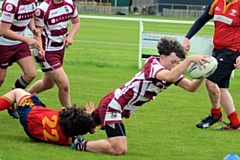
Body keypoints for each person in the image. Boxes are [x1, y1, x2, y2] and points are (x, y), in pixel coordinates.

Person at [71, 37, 210, 155]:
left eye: (178, 62)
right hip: (114, 105)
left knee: (84, 126)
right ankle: (80, 144)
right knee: (119, 149)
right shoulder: (153, 64)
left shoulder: (171, 71)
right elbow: (170, 76)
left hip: (117, 105)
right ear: (162, 57)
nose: (176, 65)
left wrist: (203, 74)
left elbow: (191, 87)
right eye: (173, 62)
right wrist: (190, 59)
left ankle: (71, 132)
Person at [182, 0, 240, 130]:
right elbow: (201, 20)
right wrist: (187, 37)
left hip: (232, 52)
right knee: (222, 88)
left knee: (210, 81)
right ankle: (235, 124)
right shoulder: (217, 2)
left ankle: (215, 114)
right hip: (218, 50)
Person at [27, 0, 80, 107]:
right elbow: (38, 33)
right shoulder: (43, 9)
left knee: (47, 84)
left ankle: (21, 98)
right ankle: (69, 116)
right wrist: (40, 49)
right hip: (46, 51)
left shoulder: (69, 3)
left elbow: (76, 22)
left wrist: (70, 36)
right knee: (64, 85)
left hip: (60, 49)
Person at [0, 88, 96, 145]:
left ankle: (8, 104)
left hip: (31, 116)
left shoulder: (63, 112)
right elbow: (86, 129)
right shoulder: (70, 140)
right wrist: (90, 124)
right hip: (34, 134)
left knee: (17, 92)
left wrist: (89, 116)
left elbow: (69, 112)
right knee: (38, 103)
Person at [0, 0, 44, 119]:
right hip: (3, 44)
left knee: (31, 73)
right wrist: (26, 39)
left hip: (19, 43)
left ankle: (12, 98)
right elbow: (3, 31)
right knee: (1, 78)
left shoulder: (33, 1)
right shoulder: (11, 4)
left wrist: (33, 28)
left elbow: (30, 16)